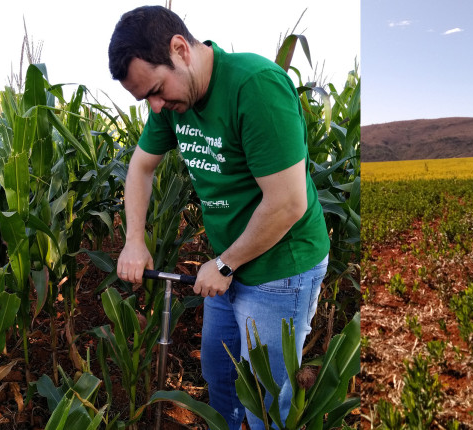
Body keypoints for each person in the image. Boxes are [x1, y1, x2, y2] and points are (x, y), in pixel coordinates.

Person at [108, 6, 330, 429]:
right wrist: (134, 239)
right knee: (221, 379)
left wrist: (226, 263)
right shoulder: (171, 105)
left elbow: (288, 204)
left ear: (180, 49)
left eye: (156, 89)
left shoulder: (255, 87)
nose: (156, 107)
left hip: (281, 268)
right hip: (227, 266)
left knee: (266, 403)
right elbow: (140, 167)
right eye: (145, 99)